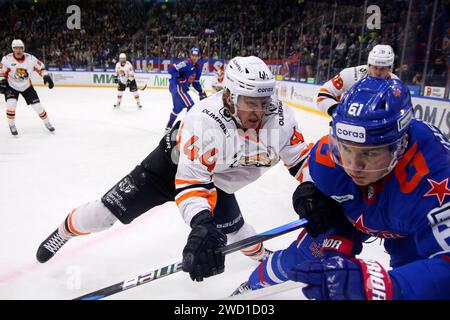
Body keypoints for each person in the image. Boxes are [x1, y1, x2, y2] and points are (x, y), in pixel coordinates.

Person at [36, 56, 312, 283]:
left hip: (216, 179)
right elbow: (191, 184)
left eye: (264, 102)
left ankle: (263, 255)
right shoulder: (204, 120)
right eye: (250, 102)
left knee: (236, 230)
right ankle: (64, 231)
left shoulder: (282, 118)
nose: (259, 112)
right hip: (167, 169)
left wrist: (314, 189)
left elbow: (301, 160)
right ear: (229, 96)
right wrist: (201, 223)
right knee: (104, 214)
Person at [234, 77, 450, 300]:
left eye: (370, 153)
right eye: (345, 148)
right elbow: (323, 186)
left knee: (413, 283)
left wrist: (387, 286)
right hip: (352, 215)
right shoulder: (328, 159)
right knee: (301, 256)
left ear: (400, 146)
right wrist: (312, 191)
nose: (353, 166)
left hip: (411, 227)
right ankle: (252, 284)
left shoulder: (437, 176)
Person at [316, 44, 398, 115]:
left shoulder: (396, 85)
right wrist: (339, 112)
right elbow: (323, 95)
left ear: (390, 68)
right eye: (375, 67)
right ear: (368, 65)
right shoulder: (351, 75)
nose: (378, 72)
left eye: (382, 69)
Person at [0, 39, 55, 135]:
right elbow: (1, 72)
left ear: (23, 48)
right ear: (13, 49)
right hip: (11, 86)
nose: (18, 50)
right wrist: (2, 81)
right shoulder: (7, 59)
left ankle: (47, 123)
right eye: (16, 48)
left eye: (20, 48)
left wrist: (46, 76)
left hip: (26, 86)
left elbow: (40, 67)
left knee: (38, 106)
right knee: (11, 105)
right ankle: (12, 125)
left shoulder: (30, 59)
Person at [165, 47, 207, 132]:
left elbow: (195, 82)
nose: (194, 57)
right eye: (193, 55)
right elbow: (171, 68)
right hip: (177, 87)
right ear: (190, 56)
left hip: (182, 89)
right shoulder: (185, 63)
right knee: (191, 106)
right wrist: (179, 78)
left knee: (177, 108)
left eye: (196, 55)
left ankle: (168, 126)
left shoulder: (198, 68)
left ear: (199, 56)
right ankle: (186, 128)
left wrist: (201, 91)